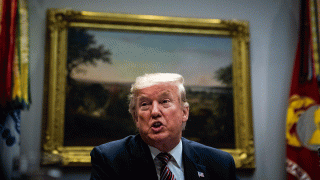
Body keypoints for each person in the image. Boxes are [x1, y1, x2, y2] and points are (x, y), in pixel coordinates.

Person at [90, 73, 238, 180]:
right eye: (145, 104)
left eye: (164, 101)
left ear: (184, 113)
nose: (154, 112)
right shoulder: (110, 159)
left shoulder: (220, 164)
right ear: (136, 117)